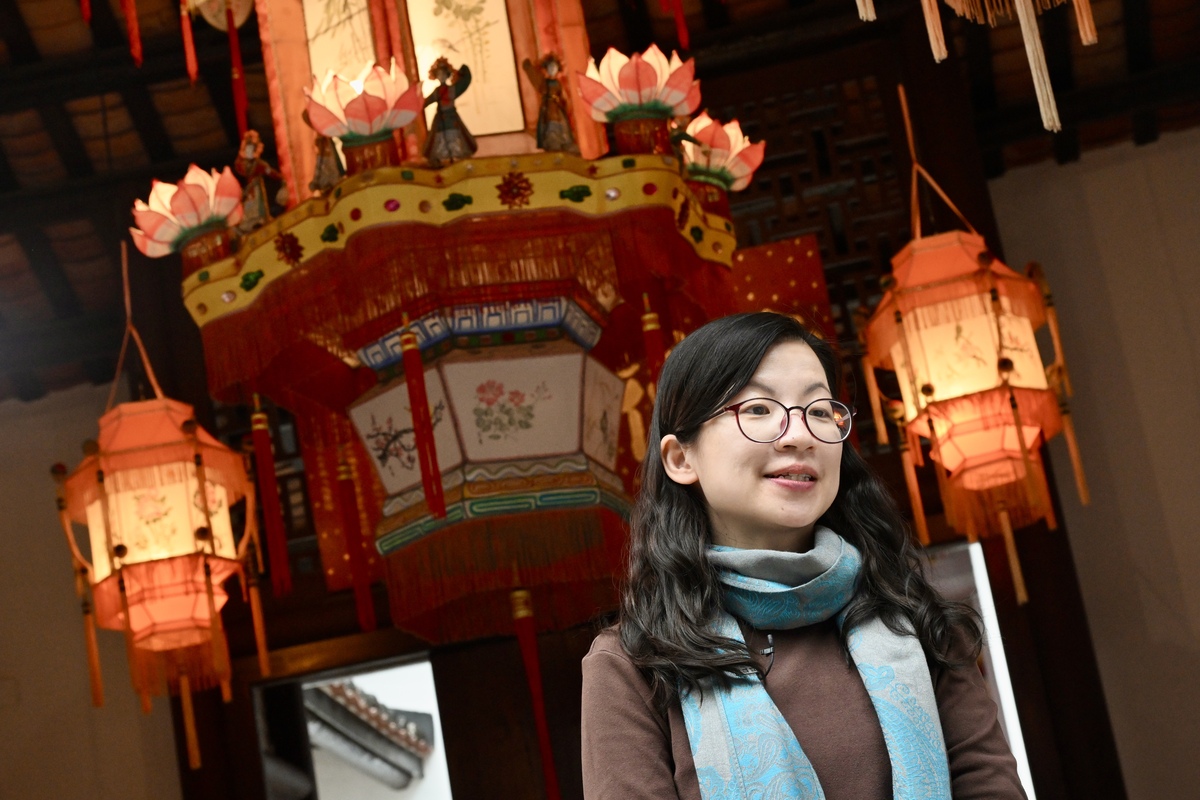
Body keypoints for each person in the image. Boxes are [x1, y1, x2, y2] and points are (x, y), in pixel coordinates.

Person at [581, 311, 1027, 800]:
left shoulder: (916, 619)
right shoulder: (631, 664)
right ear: (681, 459)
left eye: (818, 411)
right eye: (758, 409)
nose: (800, 435)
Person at [423, 57, 477, 168]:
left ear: (447, 75)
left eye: (443, 74)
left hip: (452, 118)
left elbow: (464, 81)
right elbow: (427, 101)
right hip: (440, 119)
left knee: (455, 137)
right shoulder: (437, 91)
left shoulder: (452, 89)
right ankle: (442, 160)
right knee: (439, 139)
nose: (441, 76)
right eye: (439, 74)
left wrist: (463, 70)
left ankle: (457, 159)